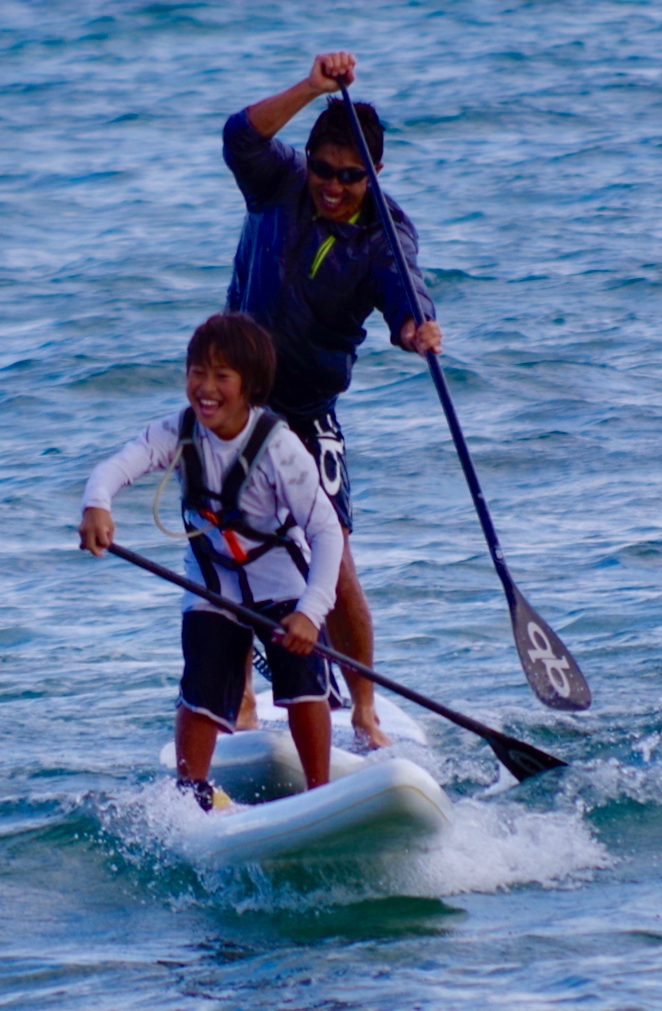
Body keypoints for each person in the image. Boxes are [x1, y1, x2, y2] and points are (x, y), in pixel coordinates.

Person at [221, 50, 444, 747]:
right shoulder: (276, 183)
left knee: (333, 554)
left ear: (372, 176)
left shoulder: (384, 234)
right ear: (307, 160)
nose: (333, 187)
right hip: (236, 408)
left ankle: (366, 706)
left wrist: (416, 331)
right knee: (230, 550)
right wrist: (312, 87)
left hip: (311, 412)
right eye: (324, 170)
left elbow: (407, 300)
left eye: (351, 177)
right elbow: (240, 135)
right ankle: (243, 706)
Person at [79, 313, 344, 808]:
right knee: (201, 685)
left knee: (303, 685)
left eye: (222, 376)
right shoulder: (177, 432)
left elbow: (326, 533)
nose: (205, 388)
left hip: (282, 581)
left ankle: (320, 795)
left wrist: (311, 611)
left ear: (250, 386)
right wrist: (97, 503)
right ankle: (191, 796)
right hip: (211, 581)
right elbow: (119, 464)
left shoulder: (280, 448)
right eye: (196, 372)